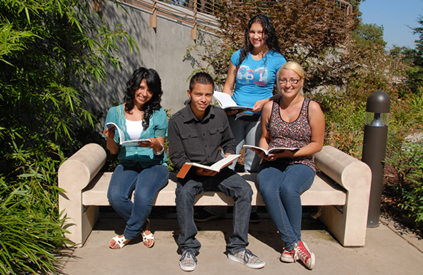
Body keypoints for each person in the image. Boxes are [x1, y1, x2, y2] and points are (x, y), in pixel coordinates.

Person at [168, 72, 265, 272]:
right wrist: (195, 170)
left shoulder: (219, 115)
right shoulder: (177, 121)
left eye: (208, 95)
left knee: (244, 190)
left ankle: (238, 248)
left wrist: (230, 154)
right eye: (198, 94)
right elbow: (176, 157)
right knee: (183, 194)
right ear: (189, 93)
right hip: (193, 174)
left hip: (218, 170)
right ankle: (188, 248)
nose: (203, 99)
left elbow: (229, 141)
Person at [253, 61, 325, 270]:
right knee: (267, 187)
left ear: (301, 81)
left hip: (301, 161)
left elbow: (317, 144)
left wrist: (291, 152)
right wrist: (264, 151)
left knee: (288, 188)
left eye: (293, 80)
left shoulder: (312, 107)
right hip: (274, 160)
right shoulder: (270, 106)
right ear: (277, 83)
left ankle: (290, 245)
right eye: (283, 80)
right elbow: (265, 137)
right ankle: (295, 244)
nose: (288, 84)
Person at [103, 67, 169, 249]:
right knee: (115, 196)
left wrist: (155, 143)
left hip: (154, 164)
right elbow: (114, 151)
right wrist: (109, 138)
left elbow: (160, 150)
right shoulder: (115, 113)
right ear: (133, 87)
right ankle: (143, 224)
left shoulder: (158, 114)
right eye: (141, 87)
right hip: (127, 163)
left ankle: (129, 234)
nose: (144, 93)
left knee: (142, 195)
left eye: (149, 90)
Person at [222, 14, 286, 173]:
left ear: (268, 33)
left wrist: (265, 102)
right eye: (252, 32)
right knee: (227, 161)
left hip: (259, 118)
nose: (256, 36)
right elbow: (228, 86)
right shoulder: (238, 56)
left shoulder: (277, 60)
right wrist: (226, 106)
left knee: (253, 164)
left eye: (261, 32)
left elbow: (283, 92)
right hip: (235, 115)